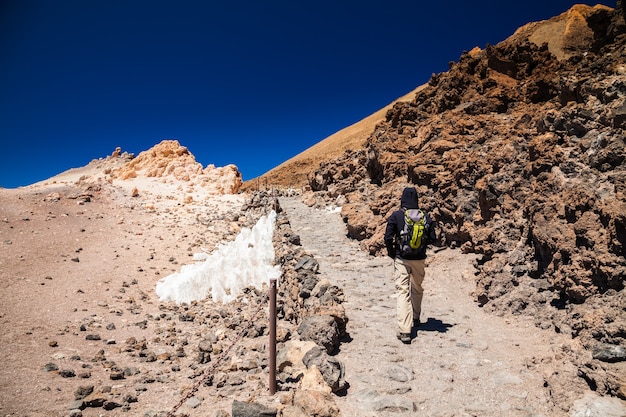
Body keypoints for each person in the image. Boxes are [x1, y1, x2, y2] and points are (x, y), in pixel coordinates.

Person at [384, 187, 436, 344]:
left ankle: (405, 330)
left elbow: (387, 237)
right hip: (419, 259)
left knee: (402, 291)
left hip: (402, 258)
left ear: (403, 199)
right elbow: (433, 238)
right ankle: (416, 316)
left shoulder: (397, 215)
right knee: (417, 288)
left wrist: (392, 253)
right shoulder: (426, 217)